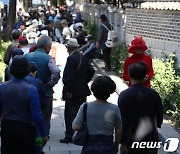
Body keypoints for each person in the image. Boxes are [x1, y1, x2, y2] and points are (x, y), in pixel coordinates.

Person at [0, 55, 48, 154]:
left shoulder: (3, 87)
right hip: (25, 128)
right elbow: (36, 114)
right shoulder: (31, 89)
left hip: (7, 126)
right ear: (27, 69)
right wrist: (43, 133)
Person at [118, 62, 163, 154]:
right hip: (150, 137)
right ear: (145, 76)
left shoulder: (124, 95)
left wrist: (123, 141)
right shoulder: (153, 93)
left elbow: (123, 121)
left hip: (131, 138)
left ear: (129, 75)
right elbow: (159, 114)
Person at [73, 76, 122, 153]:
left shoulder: (85, 106)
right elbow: (119, 130)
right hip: (108, 146)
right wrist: (115, 146)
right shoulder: (114, 108)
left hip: (89, 146)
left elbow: (75, 127)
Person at [60, 38, 95, 143]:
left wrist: (69, 91)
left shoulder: (71, 58)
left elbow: (70, 76)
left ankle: (69, 136)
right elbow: (91, 71)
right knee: (82, 113)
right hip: (83, 90)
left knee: (70, 114)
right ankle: (82, 135)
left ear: (69, 47)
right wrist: (84, 81)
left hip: (73, 91)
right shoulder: (83, 57)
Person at [25, 35, 60, 136]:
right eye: (49, 47)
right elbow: (56, 71)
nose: (50, 49)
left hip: (27, 91)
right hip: (45, 92)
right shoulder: (48, 58)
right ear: (46, 46)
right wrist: (52, 82)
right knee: (44, 117)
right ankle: (43, 137)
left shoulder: (28, 56)